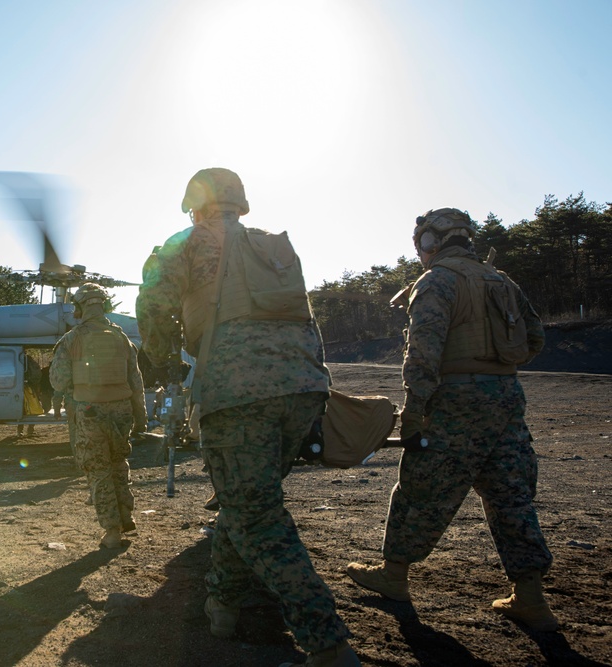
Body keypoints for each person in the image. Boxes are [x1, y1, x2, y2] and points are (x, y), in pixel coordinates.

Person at [136, 168, 358, 667]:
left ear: (194, 204)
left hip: (236, 393)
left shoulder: (186, 242)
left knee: (256, 515)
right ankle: (225, 605)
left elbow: (152, 305)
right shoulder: (273, 247)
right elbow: (304, 314)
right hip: (303, 388)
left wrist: (166, 363)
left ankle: (327, 643)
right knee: (245, 503)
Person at [345, 208, 556, 632]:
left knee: (420, 487)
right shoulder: (502, 281)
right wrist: (497, 365)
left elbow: (422, 354)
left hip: (455, 400)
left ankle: (394, 575)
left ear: (430, 242)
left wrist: (416, 410)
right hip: (507, 397)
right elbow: (536, 337)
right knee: (510, 495)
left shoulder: (437, 280)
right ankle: (531, 597)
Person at [50, 282, 148, 549]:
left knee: (99, 469)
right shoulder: (122, 339)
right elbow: (136, 382)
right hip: (122, 410)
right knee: (118, 462)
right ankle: (126, 515)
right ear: (104, 305)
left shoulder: (72, 339)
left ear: (80, 307)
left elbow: (59, 380)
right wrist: (141, 417)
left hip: (89, 412)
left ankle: (112, 530)